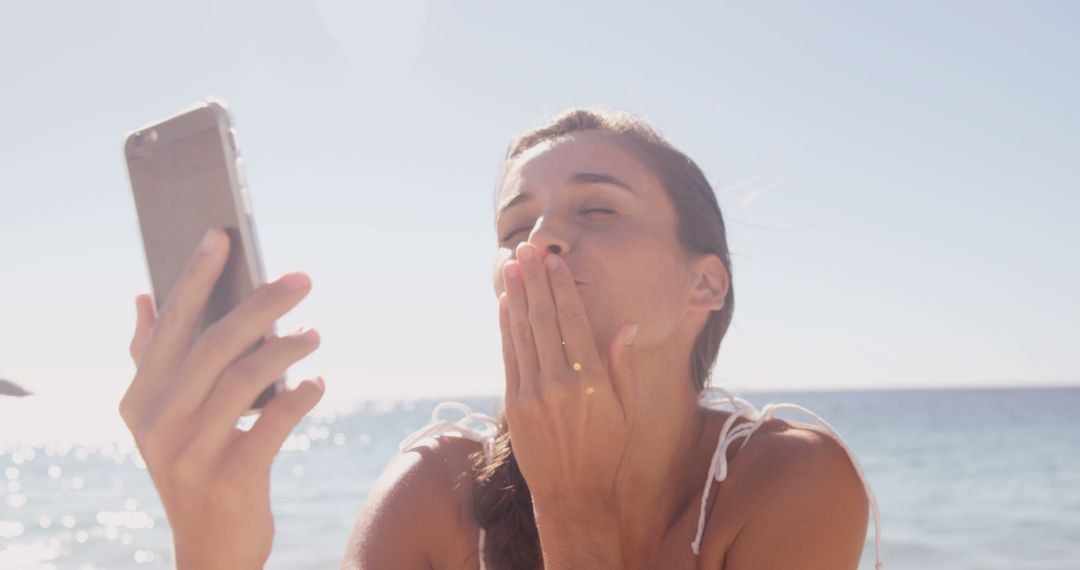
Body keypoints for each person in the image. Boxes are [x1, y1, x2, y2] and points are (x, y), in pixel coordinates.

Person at [122, 108, 882, 570]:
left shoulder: (786, 483)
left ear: (705, 286)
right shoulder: (435, 489)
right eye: (516, 228)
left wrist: (574, 511)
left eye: (598, 211)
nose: (541, 240)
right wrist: (212, 549)